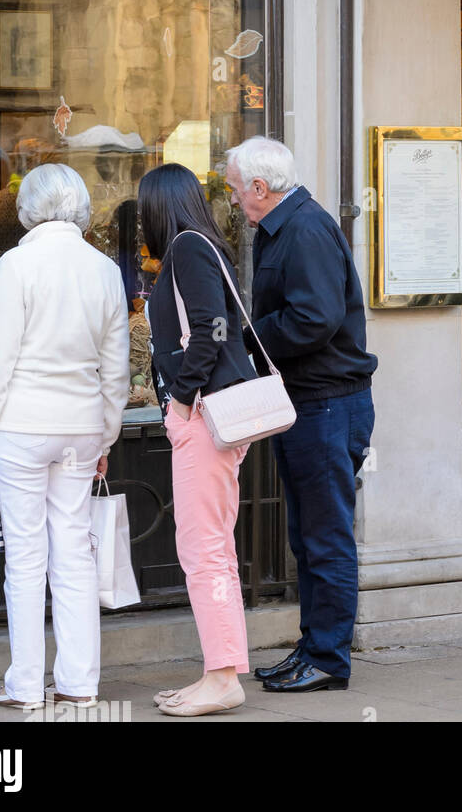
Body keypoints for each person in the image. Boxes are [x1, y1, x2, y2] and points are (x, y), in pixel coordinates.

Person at [0, 163, 129, 711]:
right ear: (79, 205)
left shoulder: (17, 263)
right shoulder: (104, 268)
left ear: (29, 208)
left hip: (23, 427)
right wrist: (106, 437)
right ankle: (80, 683)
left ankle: (26, 685)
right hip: (81, 427)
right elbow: (117, 368)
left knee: (27, 558)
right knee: (75, 555)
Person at [226, 137, 378, 694]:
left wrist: (247, 341)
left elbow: (313, 318)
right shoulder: (288, 226)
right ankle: (313, 648)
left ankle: (328, 659)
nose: (236, 200)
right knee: (309, 536)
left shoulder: (306, 229)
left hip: (328, 404)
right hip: (312, 402)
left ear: (261, 189)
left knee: (325, 536)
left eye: (238, 190)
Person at [141, 162, 260, 717]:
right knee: (215, 550)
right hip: (213, 416)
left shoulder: (188, 249)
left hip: (205, 419)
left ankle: (220, 678)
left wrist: (181, 403)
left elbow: (211, 328)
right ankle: (221, 670)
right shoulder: (201, 245)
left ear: (157, 207)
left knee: (204, 553)